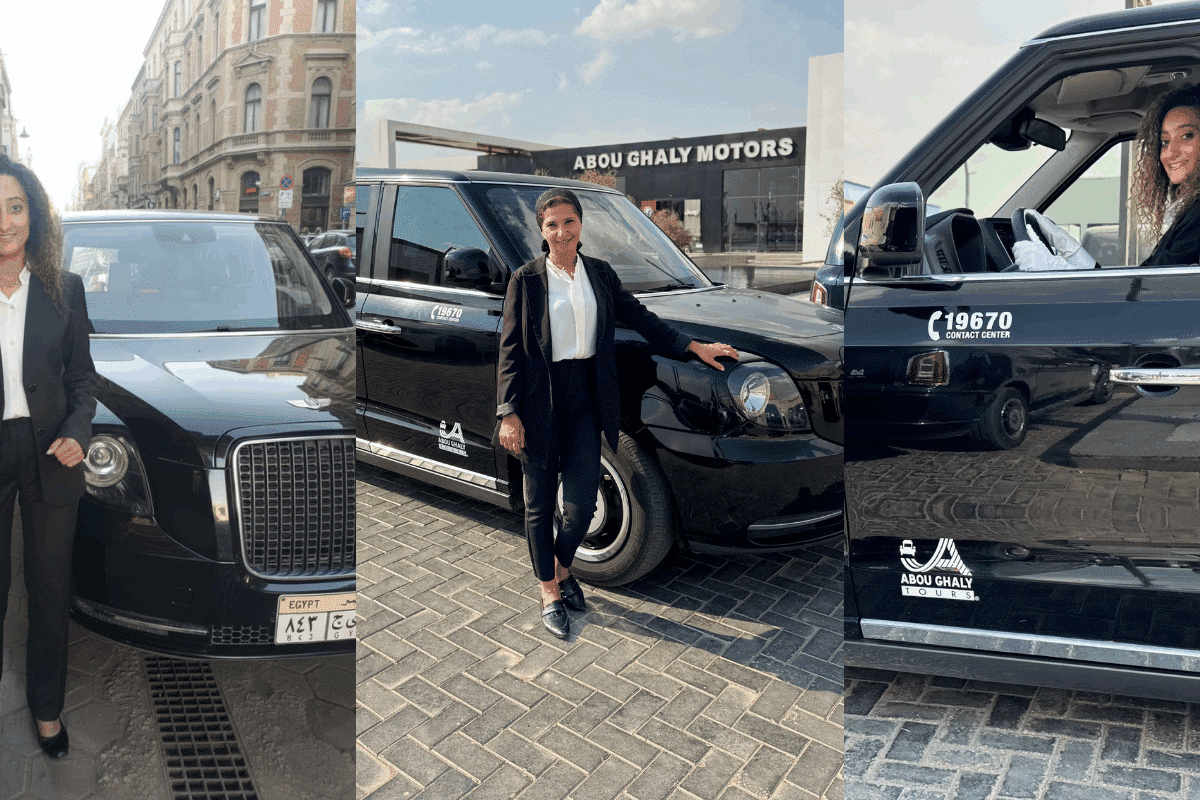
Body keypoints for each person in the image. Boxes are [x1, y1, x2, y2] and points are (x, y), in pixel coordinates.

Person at [495, 187, 736, 640]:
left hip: (587, 398)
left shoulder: (600, 275)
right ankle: (549, 589)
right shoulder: (525, 280)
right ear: (541, 231)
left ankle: (564, 569)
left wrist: (692, 345)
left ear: (581, 225)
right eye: (552, 224)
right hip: (539, 402)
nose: (561, 232)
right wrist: (509, 412)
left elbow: (642, 318)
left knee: (582, 504)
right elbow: (509, 351)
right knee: (540, 501)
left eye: (569, 222)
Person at [0, 154, 97, 758]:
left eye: (15, 207)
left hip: (49, 453)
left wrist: (78, 431)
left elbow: (84, 381)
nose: (4, 222)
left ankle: (47, 709)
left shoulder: (64, 291)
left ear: (34, 217)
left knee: (48, 587)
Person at [1134, 83, 1200, 266]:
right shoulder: (1190, 211)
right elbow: (1147, 276)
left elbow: (1154, 288)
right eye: (1165, 141)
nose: (1170, 153)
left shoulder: (1197, 215)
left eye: (1187, 136)